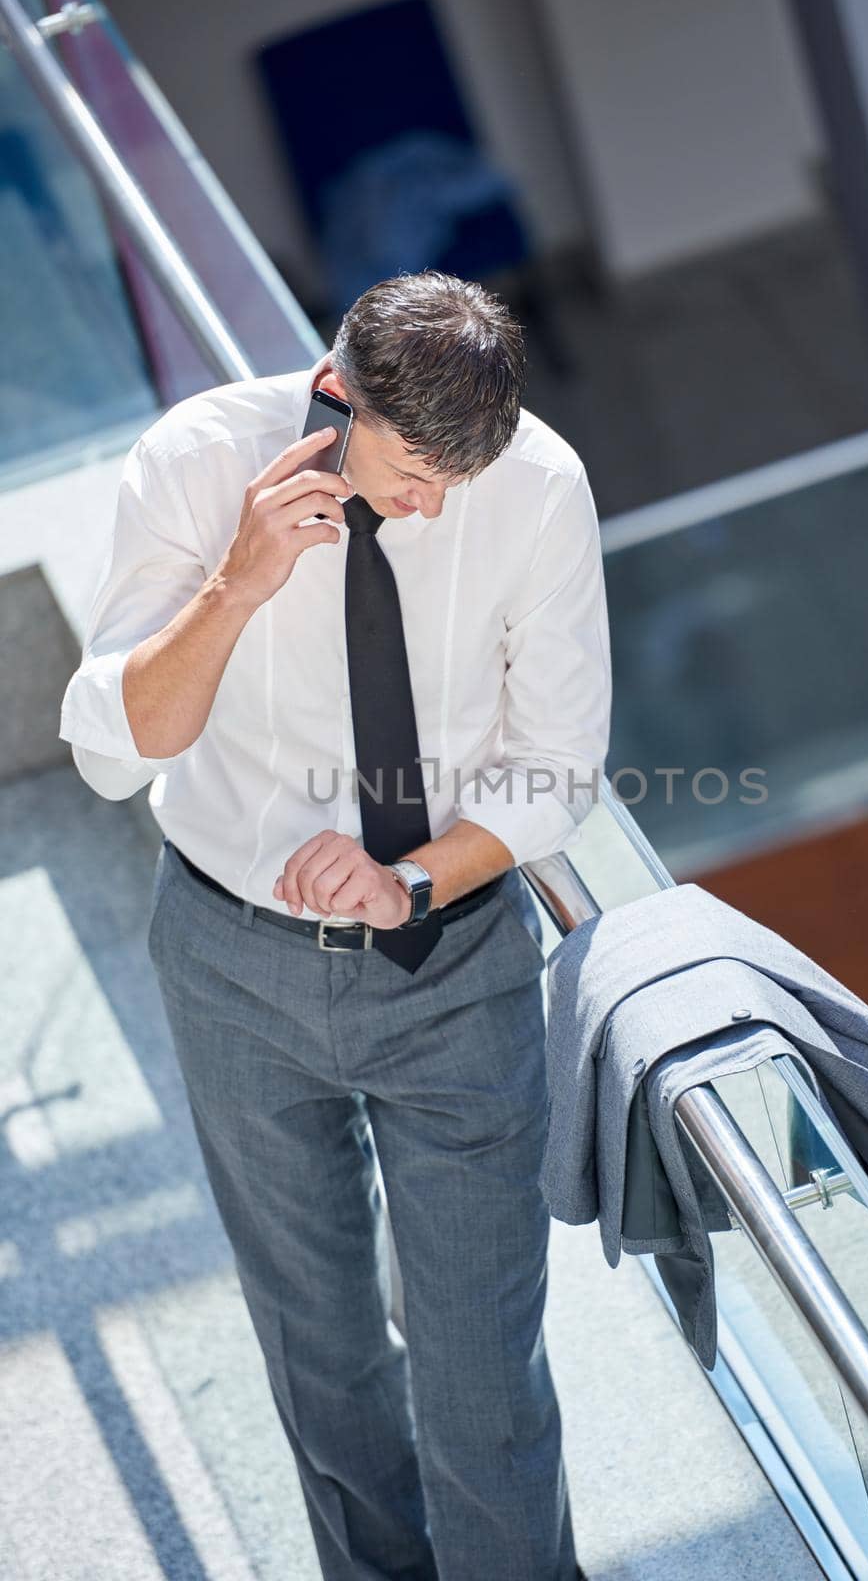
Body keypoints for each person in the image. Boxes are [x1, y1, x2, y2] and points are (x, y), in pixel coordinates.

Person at [59, 270, 609, 1581]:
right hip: (233, 967)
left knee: (484, 1382)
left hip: (455, 964)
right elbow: (110, 755)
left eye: (456, 479)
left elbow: (556, 769)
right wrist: (238, 585)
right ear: (337, 393)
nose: (429, 505)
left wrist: (413, 879)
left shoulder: (533, 486)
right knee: (325, 1359)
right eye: (413, 468)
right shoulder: (198, 462)